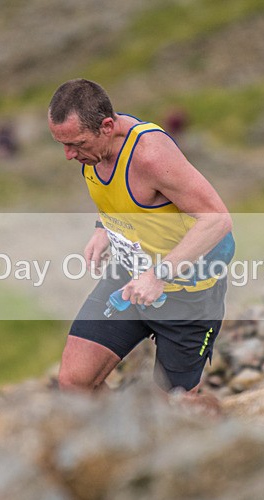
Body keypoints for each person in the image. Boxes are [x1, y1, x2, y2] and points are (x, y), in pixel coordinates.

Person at [48, 79, 233, 394]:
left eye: (76, 144)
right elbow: (118, 192)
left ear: (107, 126)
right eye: (62, 144)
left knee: (170, 413)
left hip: (187, 292)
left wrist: (159, 274)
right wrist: (102, 228)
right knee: (74, 382)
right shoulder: (96, 148)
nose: (68, 154)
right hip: (131, 276)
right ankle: (118, 436)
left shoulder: (151, 157)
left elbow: (217, 220)